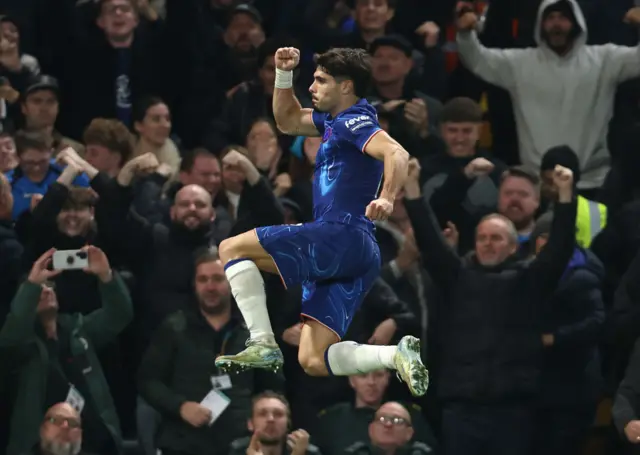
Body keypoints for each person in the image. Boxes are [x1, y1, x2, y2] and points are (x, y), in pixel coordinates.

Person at [215, 46, 428, 397]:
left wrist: (388, 196)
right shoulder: (333, 121)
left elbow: (397, 152)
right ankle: (394, 355)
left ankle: (262, 342)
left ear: (346, 87)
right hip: (358, 252)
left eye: (320, 80)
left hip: (340, 234)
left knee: (230, 247)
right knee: (312, 359)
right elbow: (285, 120)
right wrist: (284, 75)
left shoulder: (353, 121)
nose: (312, 87)